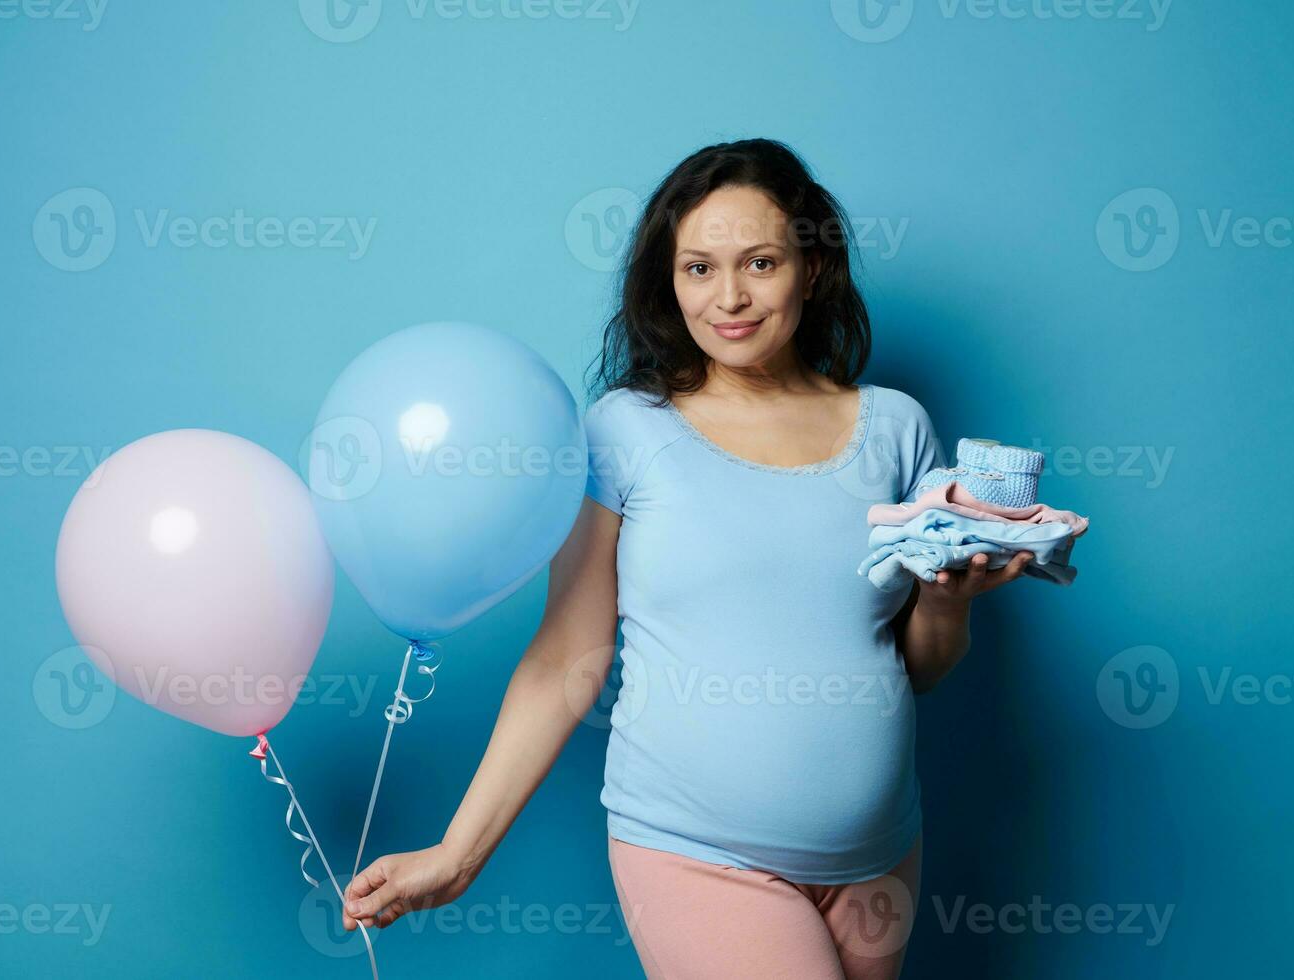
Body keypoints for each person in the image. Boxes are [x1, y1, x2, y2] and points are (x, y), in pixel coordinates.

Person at [341, 138, 1036, 979]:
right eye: (699, 269)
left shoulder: (896, 428)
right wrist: (459, 853)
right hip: (695, 852)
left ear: (810, 269)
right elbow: (569, 654)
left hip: (878, 858)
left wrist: (950, 600)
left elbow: (917, 665)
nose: (729, 298)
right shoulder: (627, 430)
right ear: (667, 282)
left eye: (760, 263)